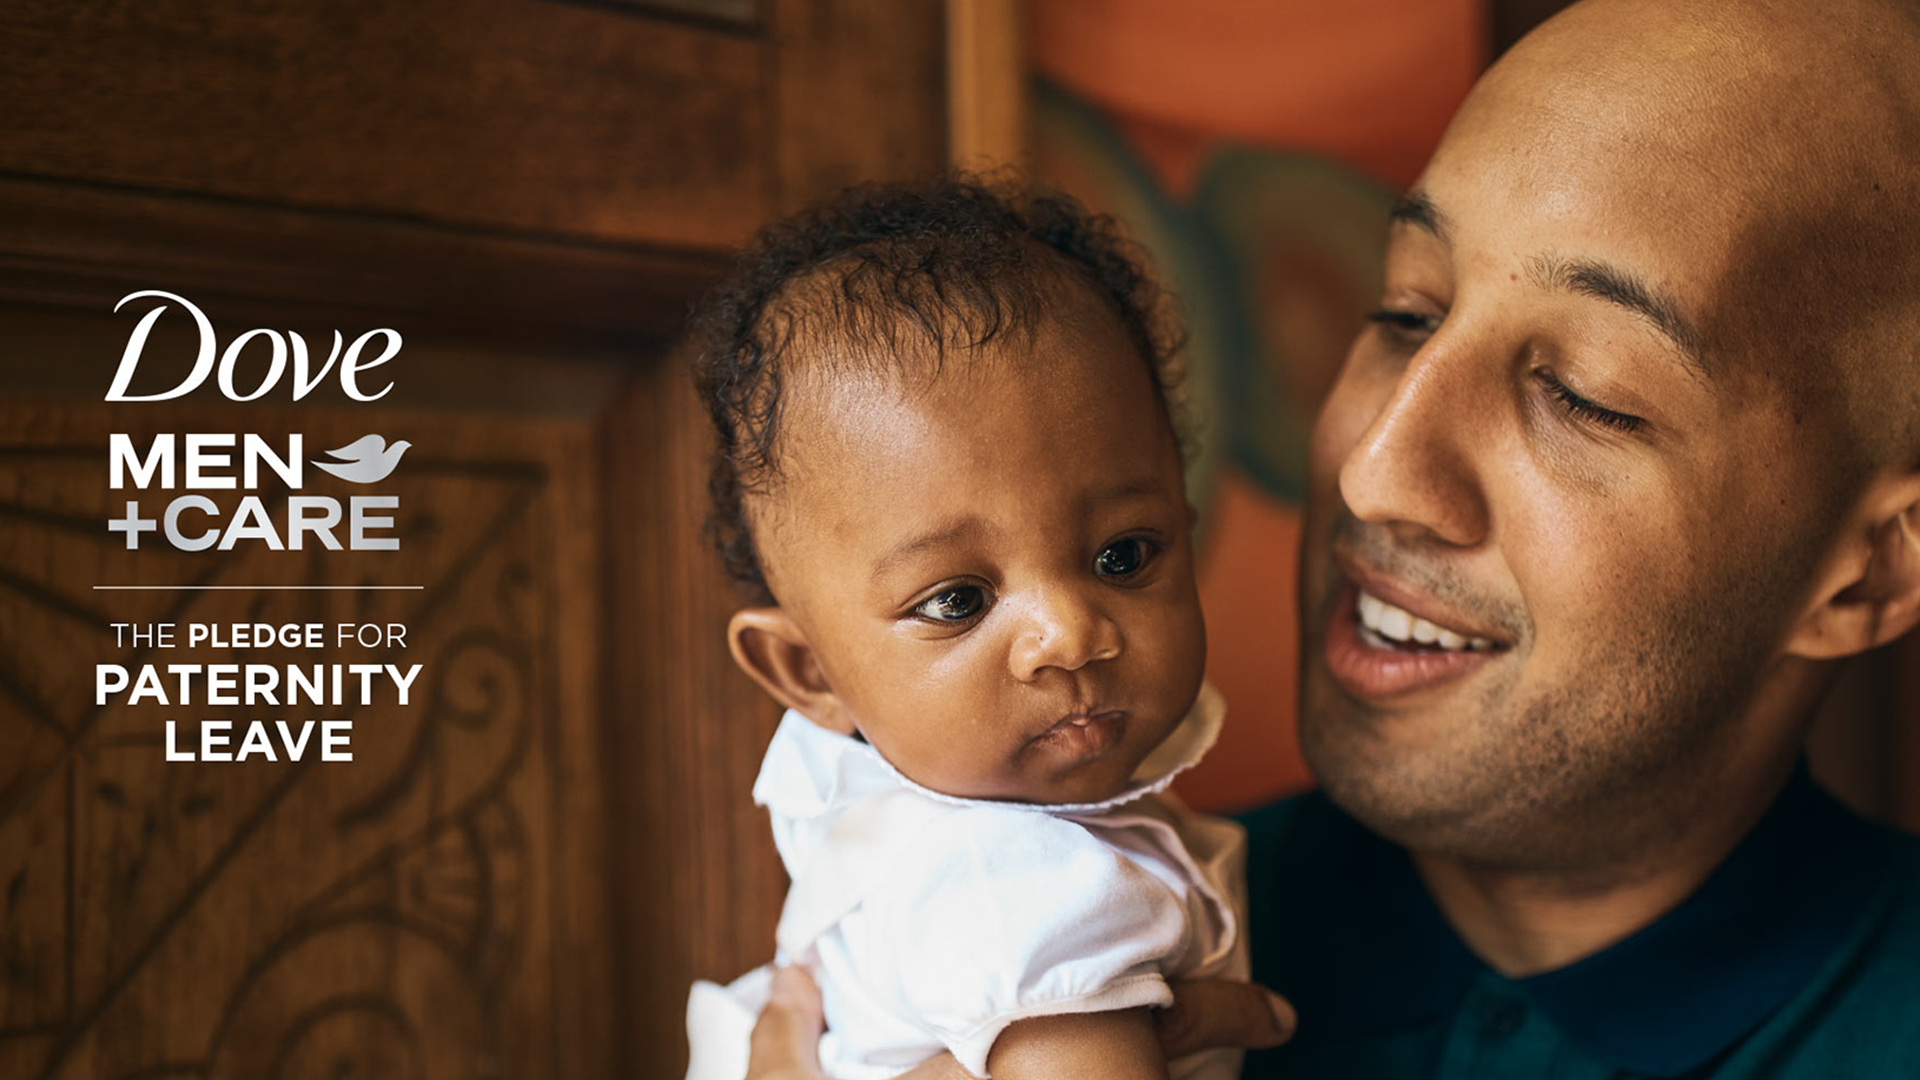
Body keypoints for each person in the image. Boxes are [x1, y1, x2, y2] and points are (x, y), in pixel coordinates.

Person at [742, 0, 1920, 1076]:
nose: (1374, 467)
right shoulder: (1079, 925)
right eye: (1405, 313)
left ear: (1869, 572)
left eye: (1584, 394)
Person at [680, 179, 1278, 1080]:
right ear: (809, 674)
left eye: (1123, 555)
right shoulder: (1013, 884)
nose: (1069, 635)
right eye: (957, 601)